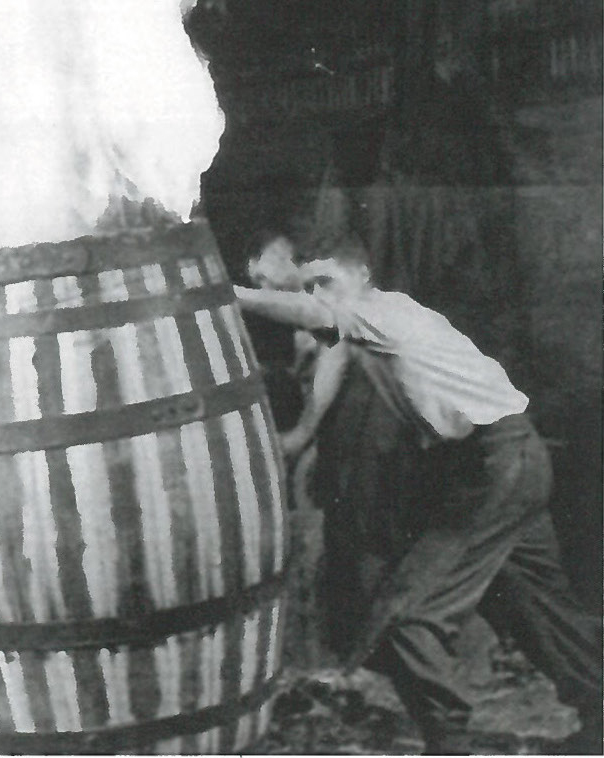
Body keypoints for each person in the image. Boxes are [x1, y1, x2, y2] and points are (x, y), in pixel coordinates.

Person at [236, 237, 603, 756]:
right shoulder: (374, 321)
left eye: (329, 282)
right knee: (537, 606)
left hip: (499, 464)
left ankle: (449, 745)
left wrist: (225, 295)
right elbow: (329, 351)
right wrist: (304, 433)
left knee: (410, 615)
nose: (321, 295)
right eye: (312, 283)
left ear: (361, 275)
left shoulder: (380, 312)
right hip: (508, 458)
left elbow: (309, 313)